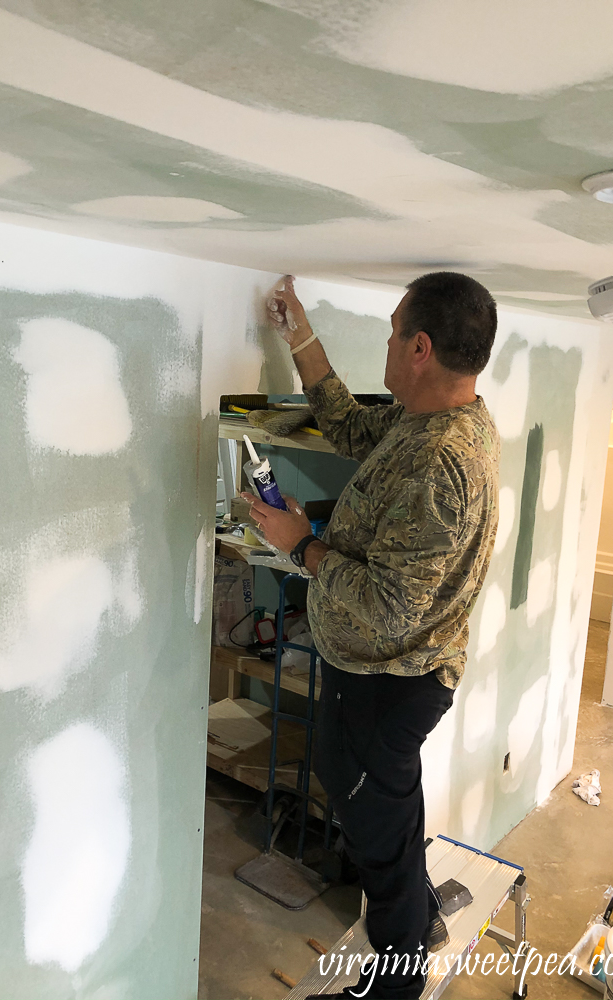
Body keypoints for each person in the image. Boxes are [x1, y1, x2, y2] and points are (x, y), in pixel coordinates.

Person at [242, 272, 500, 1000]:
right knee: (390, 802)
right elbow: (354, 425)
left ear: (419, 348)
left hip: (391, 680)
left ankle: (396, 981)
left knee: (377, 838)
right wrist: (302, 338)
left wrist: (301, 545)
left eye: (392, 333)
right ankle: (418, 918)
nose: (387, 344)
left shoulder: (441, 460)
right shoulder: (435, 423)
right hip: (390, 672)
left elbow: (388, 606)